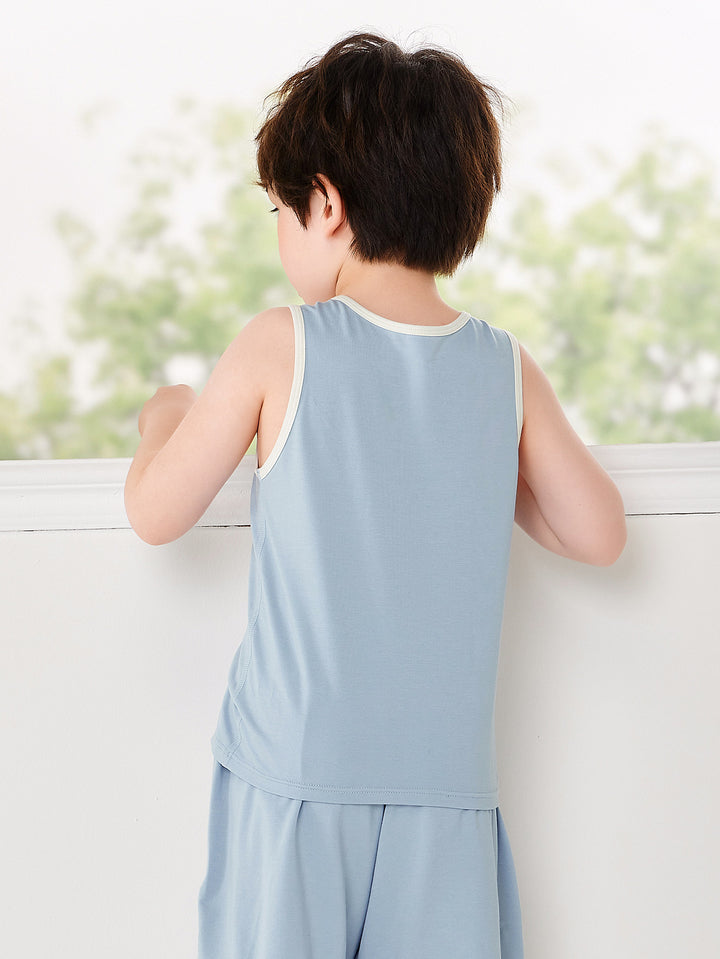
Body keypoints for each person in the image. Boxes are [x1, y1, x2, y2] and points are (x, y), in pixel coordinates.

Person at [124, 31, 627, 959]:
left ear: (325, 204)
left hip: (298, 777)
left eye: (278, 209)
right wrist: (495, 465)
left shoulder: (281, 343)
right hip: (444, 793)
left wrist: (167, 416)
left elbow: (156, 512)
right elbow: (597, 532)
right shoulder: (502, 367)